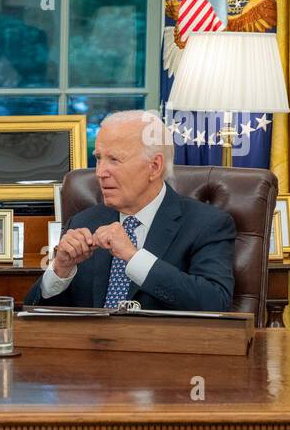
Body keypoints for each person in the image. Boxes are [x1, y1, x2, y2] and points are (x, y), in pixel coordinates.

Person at [25, 110, 236, 311]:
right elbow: (36, 313)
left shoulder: (207, 224)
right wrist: (60, 270)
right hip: (92, 346)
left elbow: (215, 302)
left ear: (154, 167)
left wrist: (133, 257)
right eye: (98, 158)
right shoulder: (83, 222)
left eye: (114, 159)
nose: (100, 172)